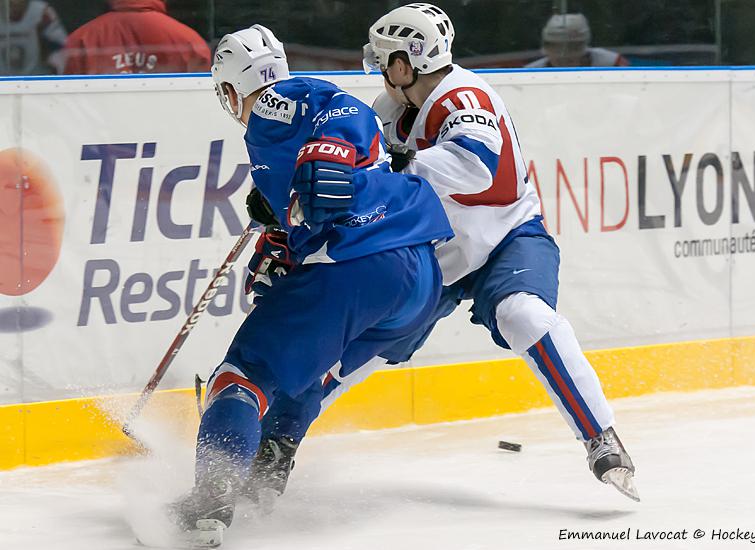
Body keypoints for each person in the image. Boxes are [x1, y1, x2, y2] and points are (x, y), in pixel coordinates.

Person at [250, 2, 638, 507]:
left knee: (524, 314)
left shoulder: (464, 96)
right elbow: (355, 160)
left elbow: (475, 165)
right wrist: (290, 190)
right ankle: (275, 443)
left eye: (384, 59)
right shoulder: (391, 109)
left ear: (405, 64)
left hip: (506, 238)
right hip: (434, 254)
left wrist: (387, 163)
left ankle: (600, 437)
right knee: (346, 347)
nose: (380, 70)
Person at [169, 24, 453, 547]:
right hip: (415, 279)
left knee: (243, 375)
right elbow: (308, 204)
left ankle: (210, 504)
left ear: (232, 89)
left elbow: (345, 111)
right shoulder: (278, 143)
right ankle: (264, 475)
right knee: (303, 368)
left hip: (361, 261)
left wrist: (327, 153)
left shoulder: (277, 102)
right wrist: (277, 241)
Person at [61, 0, 210, 74]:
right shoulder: (189, 41)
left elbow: (70, 103)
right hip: (170, 130)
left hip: (102, 130)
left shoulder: (81, 39)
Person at [525, 13, 629, 68]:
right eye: (555, 46)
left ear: (584, 45)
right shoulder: (529, 74)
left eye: (572, 47)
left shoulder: (612, 64)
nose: (563, 55)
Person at [0, 0, 67, 75]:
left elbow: (62, 46)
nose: (15, 2)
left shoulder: (42, 12)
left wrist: (53, 62)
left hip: (35, 78)